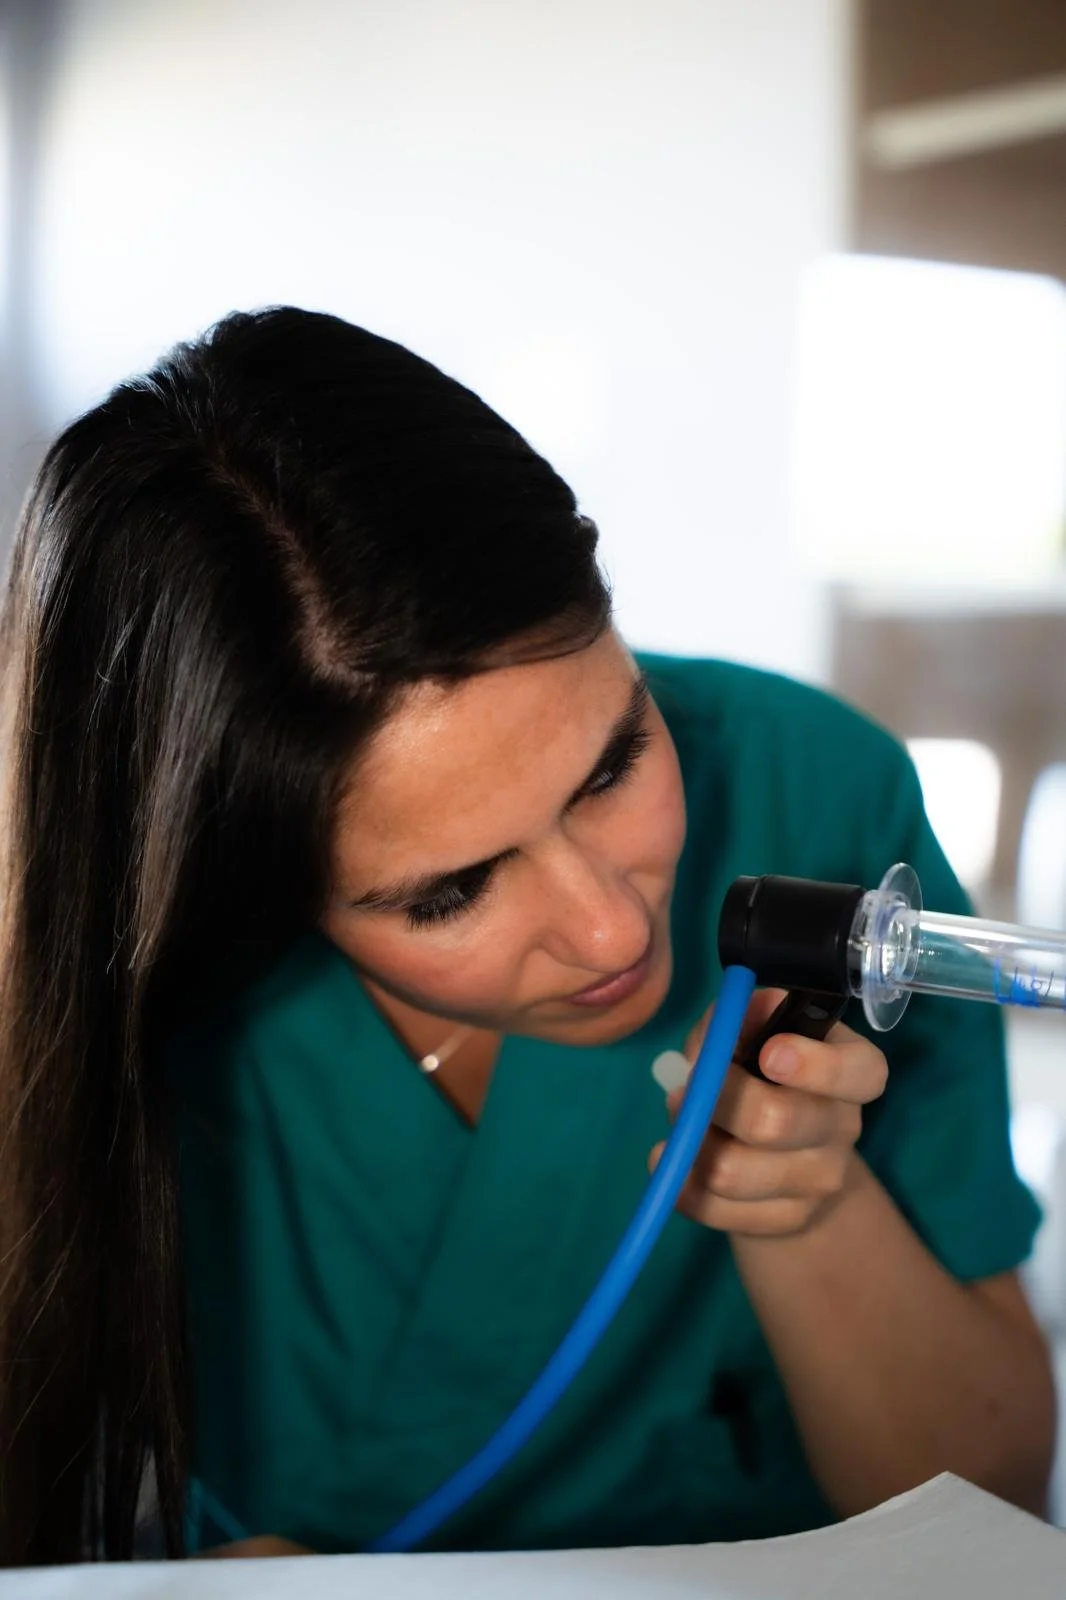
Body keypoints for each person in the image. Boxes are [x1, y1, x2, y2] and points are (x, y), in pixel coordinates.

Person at [0, 308, 1053, 1569]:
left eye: (611, 761)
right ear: (239, 899)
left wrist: (807, 1205)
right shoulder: (116, 973)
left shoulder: (811, 788)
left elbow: (985, 1510)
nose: (612, 925)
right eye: (448, 892)